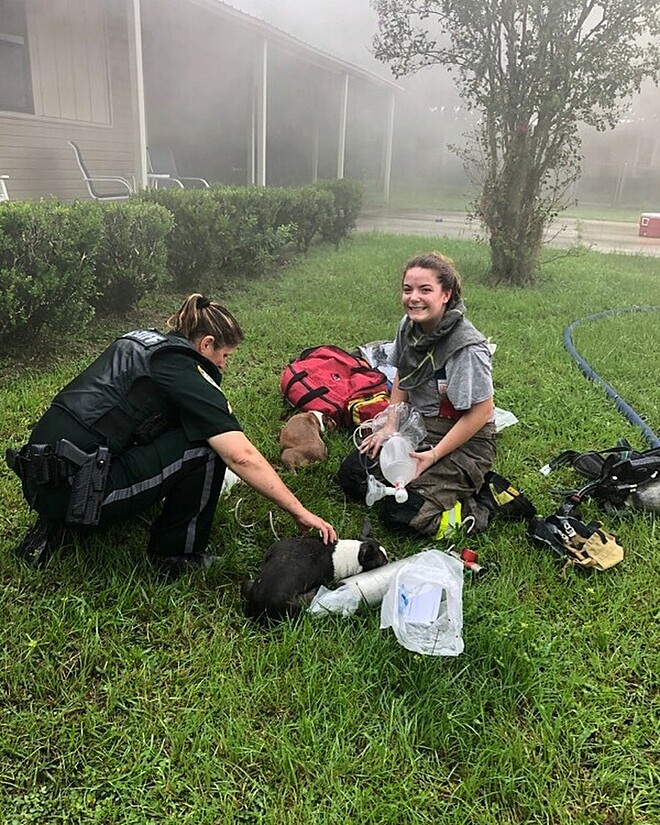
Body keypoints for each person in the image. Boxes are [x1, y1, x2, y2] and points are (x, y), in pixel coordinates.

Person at [6, 294, 336, 575]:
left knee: (175, 429)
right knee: (207, 447)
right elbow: (240, 455)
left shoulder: (139, 340)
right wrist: (298, 510)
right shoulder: (181, 366)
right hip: (77, 495)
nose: (224, 365)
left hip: (38, 480)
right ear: (206, 344)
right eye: (225, 356)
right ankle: (175, 554)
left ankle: (67, 513)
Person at [338, 252, 496, 536]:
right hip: (421, 426)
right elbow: (403, 374)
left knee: (403, 516)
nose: (414, 298)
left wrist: (433, 456)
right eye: (408, 289)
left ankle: (477, 507)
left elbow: (481, 412)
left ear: (446, 294)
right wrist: (390, 426)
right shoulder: (409, 327)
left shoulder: (466, 347)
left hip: (464, 441)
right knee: (352, 473)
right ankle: (416, 485)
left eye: (425, 290)